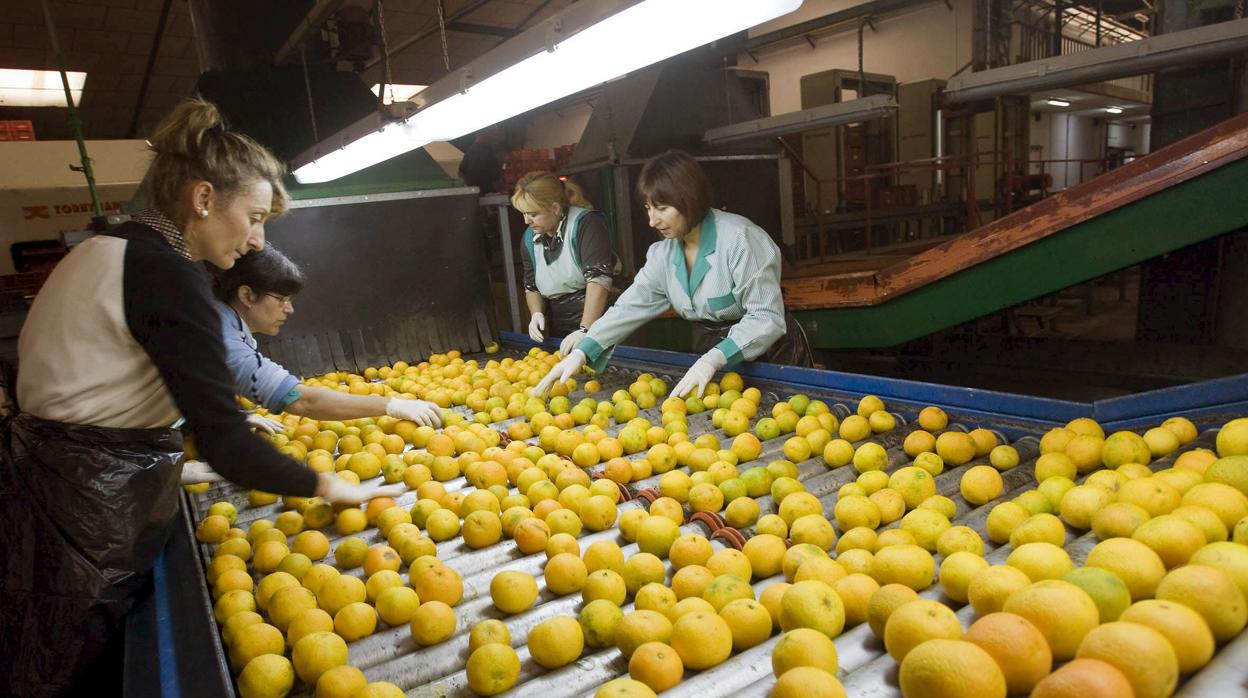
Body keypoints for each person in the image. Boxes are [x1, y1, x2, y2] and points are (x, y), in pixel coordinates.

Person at [0, 98, 401, 697]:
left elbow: (88, 384)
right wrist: (329, 485)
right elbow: (226, 438)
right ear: (204, 199)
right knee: (72, 668)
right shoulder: (168, 273)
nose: (258, 240)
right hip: (85, 514)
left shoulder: (104, 248)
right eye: (256, 217)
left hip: (48, 485)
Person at [534, 150, 811, 399]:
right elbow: (630, 306)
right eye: (647, 208)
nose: (652, 220)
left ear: (689, 200)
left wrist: (714, 359)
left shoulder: (741, 240)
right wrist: (586, 348)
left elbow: (766, 317)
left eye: (662, 208)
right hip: (713, 357)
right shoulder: (663, 255)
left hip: (772, 357)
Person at [210, 244, 441, 425]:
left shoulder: (220, 318)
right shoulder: (221, 337)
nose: (290, 310)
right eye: (281, 300)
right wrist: (391, 405)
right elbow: (303, 401)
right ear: (247, 295)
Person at [513, 171, 619, 356]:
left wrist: (586, 329)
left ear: (554, 208)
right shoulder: (530, 238)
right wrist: (536, 313)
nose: (526, 221)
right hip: (560, 323)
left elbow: (599, 281)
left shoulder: (586, 224)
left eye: (533, 214)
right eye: (523, 214)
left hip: (602, 320)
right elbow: (531, 285)